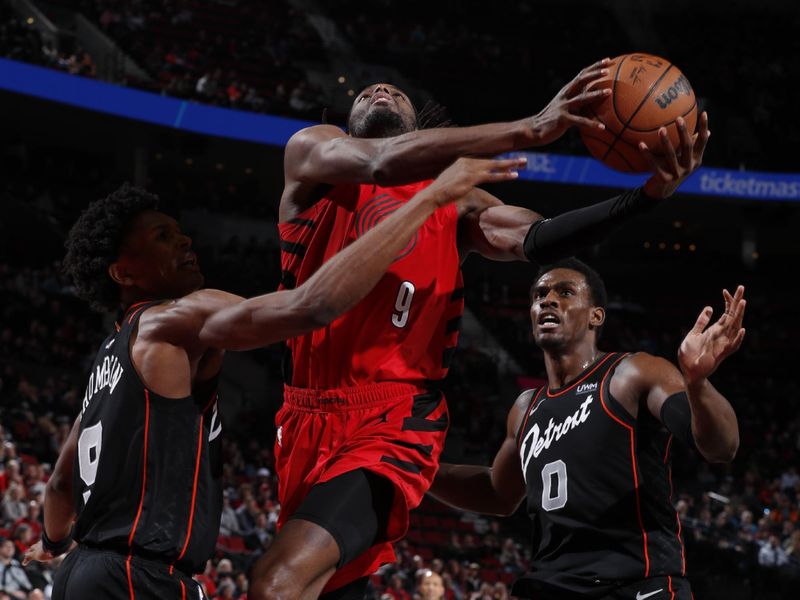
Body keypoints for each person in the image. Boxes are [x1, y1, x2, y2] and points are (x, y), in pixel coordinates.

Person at [250, 59, 711, 599]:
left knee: (277, 582)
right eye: (370, 91)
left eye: (396, 92)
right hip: (303, 416)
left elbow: (535, 239)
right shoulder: (312, 154)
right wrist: (530, 128)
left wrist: (644, 199)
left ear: (422, 129)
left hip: (394, 418)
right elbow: (378, 164)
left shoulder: (457, 201)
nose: (380, 90)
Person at [21, 156, 520, 599]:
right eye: (162, 236)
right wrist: (430, 199)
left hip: (80, 573)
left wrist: (52, 544)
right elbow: (311, 306)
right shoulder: (177, 317)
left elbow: (62, 485)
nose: (185, 239)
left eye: (178, 230)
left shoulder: (107, 362)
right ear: (123, 273)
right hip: (141, 576)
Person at [430, 258, 745, 599]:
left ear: (596, 315)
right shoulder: (525, 408)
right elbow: (498, 492)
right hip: (554, 585)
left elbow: (721, 446)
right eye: (539, 295)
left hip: (636, 585)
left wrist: (697, 383)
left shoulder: (632, 373)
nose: (547, 300)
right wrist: (416, 472)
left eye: (565, 292)